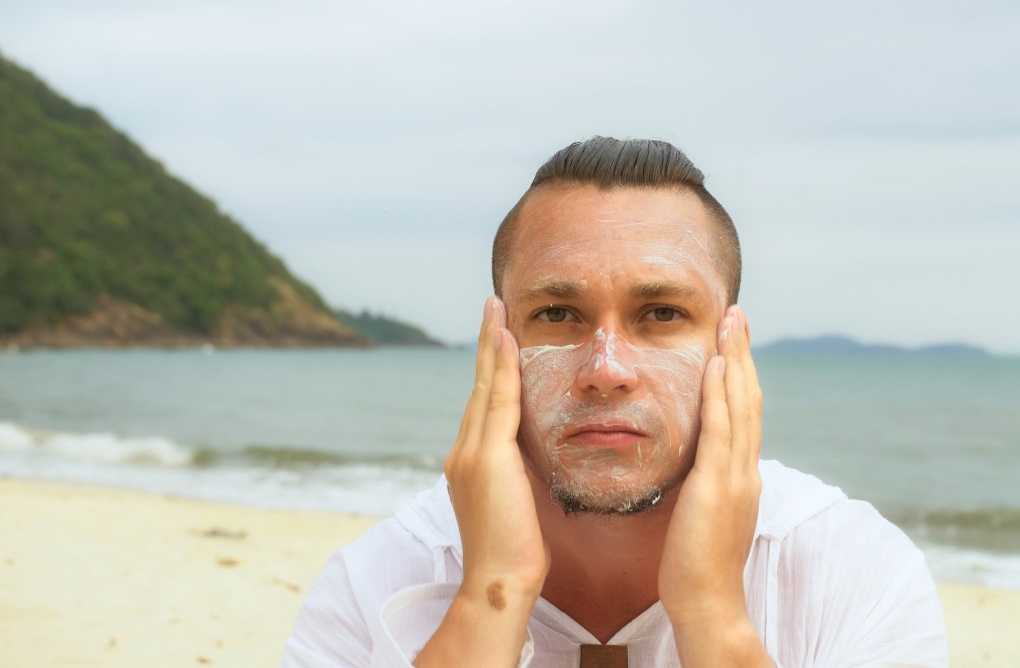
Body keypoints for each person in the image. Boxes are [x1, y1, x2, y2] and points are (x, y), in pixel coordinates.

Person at [281, 137, 948, 667]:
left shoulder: (854, 570)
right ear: (497, 342)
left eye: (661, 313)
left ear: (731, 344)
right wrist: (491, 594)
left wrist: (713, 612)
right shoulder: (375, 583)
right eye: (557, 313)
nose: (606, 371)